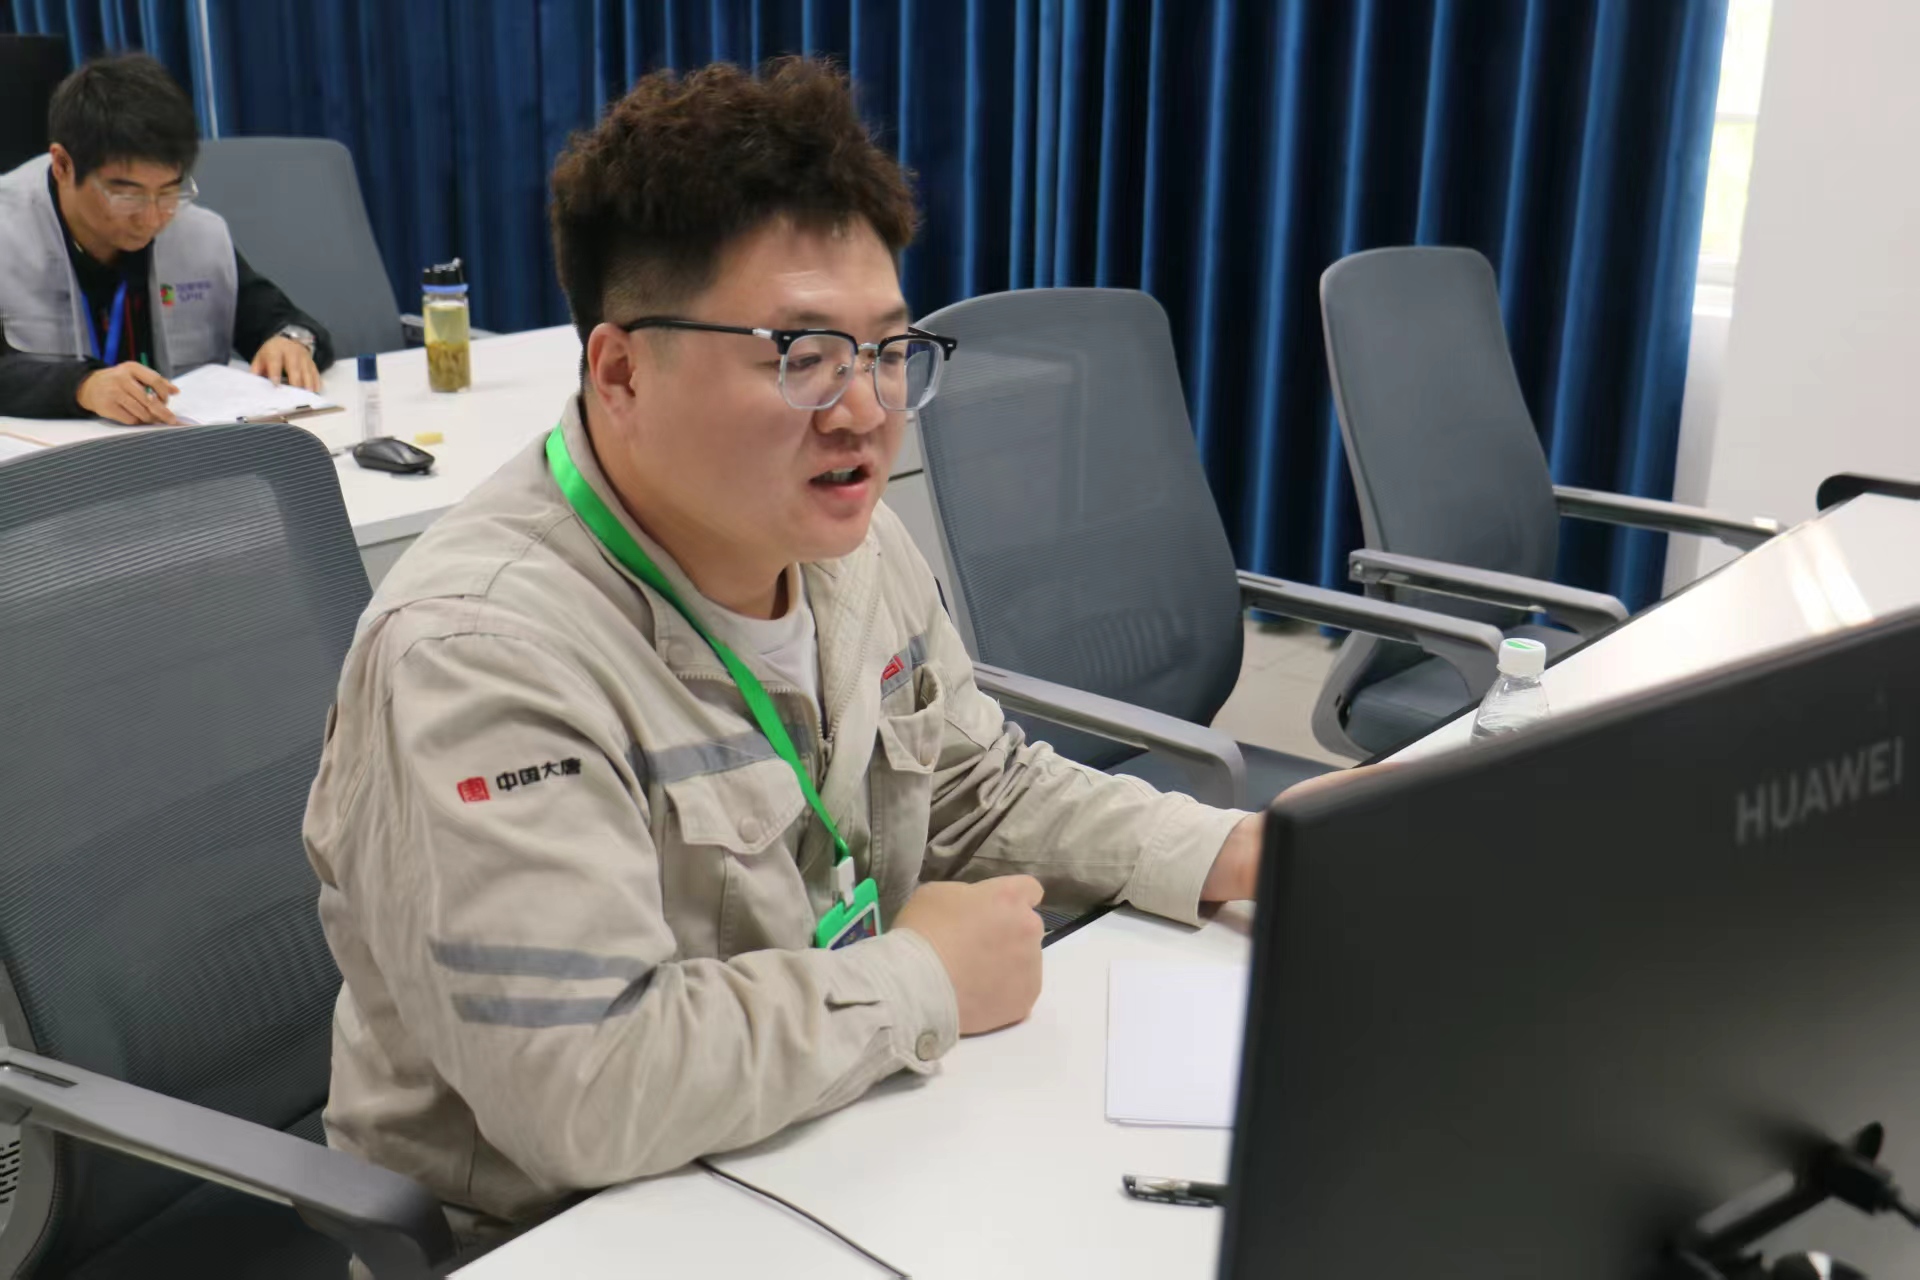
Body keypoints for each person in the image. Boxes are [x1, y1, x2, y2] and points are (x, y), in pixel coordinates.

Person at [303, 57, 1285, 1248]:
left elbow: (979, 786)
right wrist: (921, 980)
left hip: (817, 1143)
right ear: (621, 370)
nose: (865, 409)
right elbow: (585, 1083)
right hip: (562, 1231)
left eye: (886, 349)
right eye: (802, 353)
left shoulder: (843, 546)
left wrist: (1226, 848)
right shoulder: (477, 652)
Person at [0, 53, 334, 425]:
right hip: (51, 455)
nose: (152, 218)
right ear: (62, 165)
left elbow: (282, 320)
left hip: (179, 447)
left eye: (169, 191)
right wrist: (83, 387)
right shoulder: (7, 229)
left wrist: (291, 342)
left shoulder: (192, 231)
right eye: (127, 195)